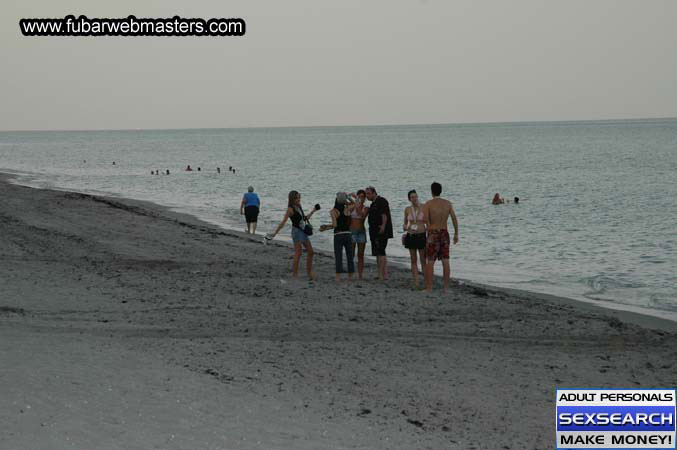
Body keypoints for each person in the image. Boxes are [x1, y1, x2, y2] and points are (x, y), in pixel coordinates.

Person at [269, 191, 318, 280]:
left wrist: (314, 210)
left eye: (299, 197)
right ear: (292, 199)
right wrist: (275, 233)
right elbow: (283, 222)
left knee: (311, 252)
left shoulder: (299, 206)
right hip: (296, 232)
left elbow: (304, 219)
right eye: (296, 198)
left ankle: (309, 272)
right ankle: (295, 274)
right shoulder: (290, 209)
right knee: (298, 253)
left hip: (303, 231)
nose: (298, 199)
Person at [423, 182, 459, 293]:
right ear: (441, 190)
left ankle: (429, 288)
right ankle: (446, 288)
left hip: (433, 232)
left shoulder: (428, 204)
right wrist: (456, 233)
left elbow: (425, 220)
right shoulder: (448, 203)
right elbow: (454, 218)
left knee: (430, 260)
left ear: (431, 191)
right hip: (444, 232)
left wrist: (429, 230)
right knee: (445, 260)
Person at [365, 186, 393, 280]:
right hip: (374, 231)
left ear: (374, 193)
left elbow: (384, 214)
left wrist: (383, 226)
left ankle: (382, 274)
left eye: (368, 194)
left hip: (381, 230)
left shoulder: (381, 201)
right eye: (366, 194)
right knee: (378, 252)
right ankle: (382, 274)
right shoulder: (373, 203)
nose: (367, 196)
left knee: (381, 251)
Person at [328, 193, 355, 282]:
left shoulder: (333, 211)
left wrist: (326, 227)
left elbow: (334, 225)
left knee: (338, 256)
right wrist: (349, 197)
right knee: (349, 256)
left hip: (338, 235)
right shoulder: (347, 209)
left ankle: (338, 277)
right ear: (343, 201)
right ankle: (350, 277)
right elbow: (356, 203)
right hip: (347, 235)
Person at [403, 190, 427, 288]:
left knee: (423, 260)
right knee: (413, 260)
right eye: (412, 197)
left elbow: (427, 222)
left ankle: (426, 282)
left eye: (416, 197)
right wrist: (405, 228)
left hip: (421, 235)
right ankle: (416, 281)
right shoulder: (407, 209)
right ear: (409, 199)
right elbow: (405, 223)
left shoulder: (424, 207)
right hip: (411, 235)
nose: (414, 199)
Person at [349, 190, 369, 280]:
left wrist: (356, 201)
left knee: (360, 255)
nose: (361, 198)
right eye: (359, 196)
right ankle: (351, 273)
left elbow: (361, 215)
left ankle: (360, 275)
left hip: (361, 232)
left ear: (364, 198)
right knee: (351, 254)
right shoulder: (352, 205)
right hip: (352, 232)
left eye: (362, 197)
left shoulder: (366, 208)